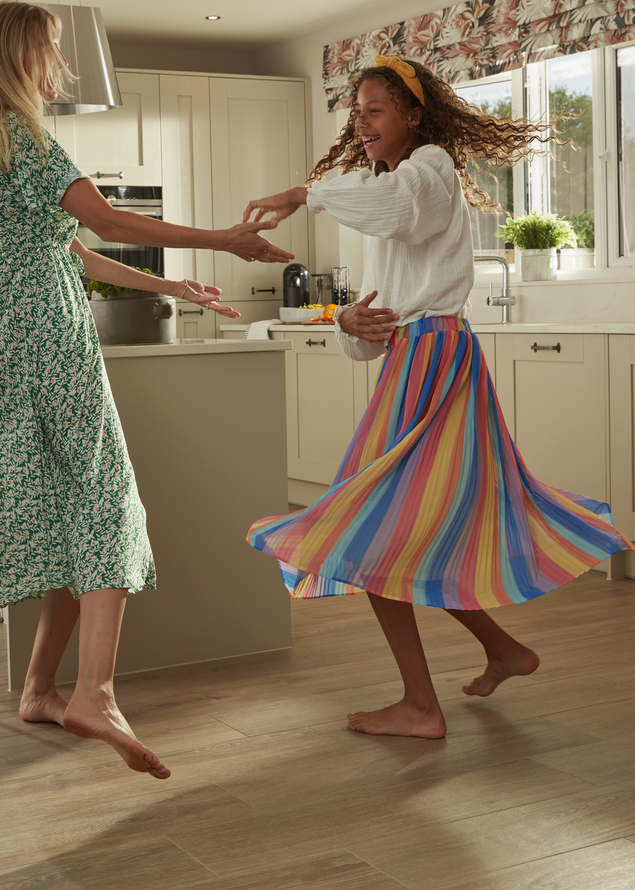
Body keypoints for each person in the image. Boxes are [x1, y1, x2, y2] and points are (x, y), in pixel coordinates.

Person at [0, 0, 291, 779]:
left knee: (68, 503)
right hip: (44, 330)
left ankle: (41, 690)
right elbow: (110, 224)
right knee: (107, 497)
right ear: (22, 55)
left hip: (18, 320)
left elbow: (71, 252)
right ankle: (97, 692)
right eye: (50, 49)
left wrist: (172, 286)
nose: (60, 65)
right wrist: (222, 239)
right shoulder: (26, 138)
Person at [243, 56, 631, 739]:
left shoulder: (430, 169)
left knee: (374, 531)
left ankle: (422, 706)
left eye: (375, 110)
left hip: (435, 359)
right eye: (356, 112)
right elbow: (376, 321)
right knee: (414, 528)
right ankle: (501, 651)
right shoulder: (390, 184)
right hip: (417, 359)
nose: (361, 123)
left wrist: (306, 195)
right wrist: (347, 322)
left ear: (413, 116)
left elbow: (397, 214)